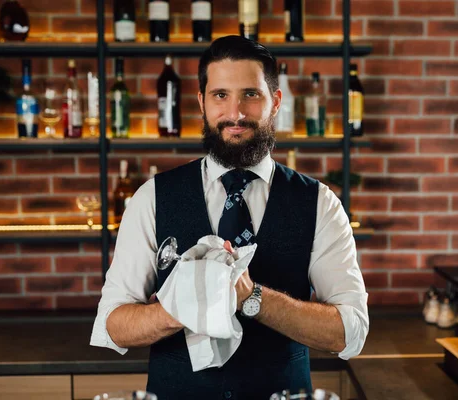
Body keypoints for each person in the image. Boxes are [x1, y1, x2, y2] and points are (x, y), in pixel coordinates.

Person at [91, 35, 369, 400]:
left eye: (250, 95)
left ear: (275, 102)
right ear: (201, 103)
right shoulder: (152, 198)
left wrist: (251, 297)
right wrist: (183, 305)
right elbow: (113, 325)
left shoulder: (320, 203)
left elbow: (350, 333)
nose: (235, 113)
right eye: (220, 95)